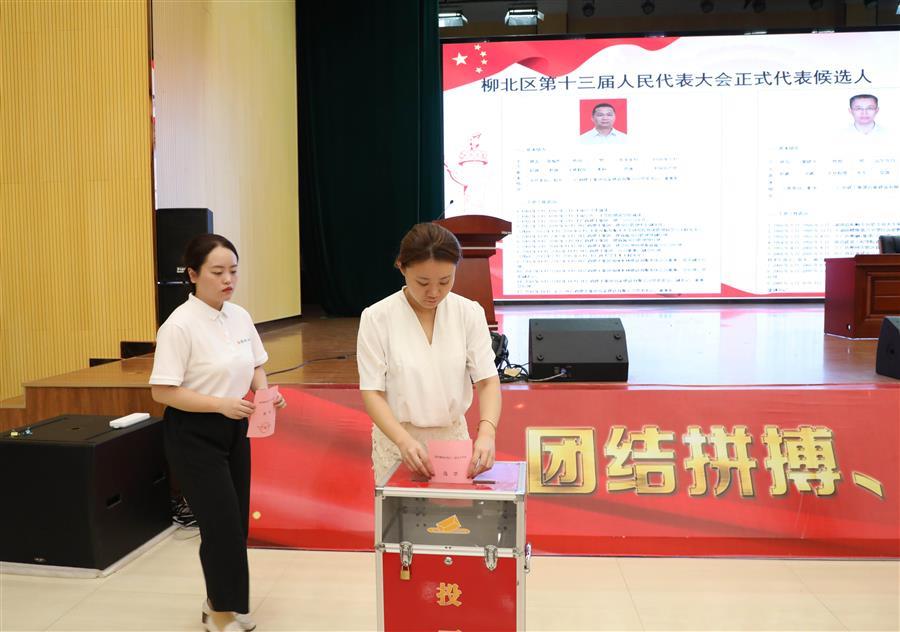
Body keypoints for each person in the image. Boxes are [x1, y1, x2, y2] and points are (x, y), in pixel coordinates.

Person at [150, 233, 285, 632]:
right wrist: (219, 404)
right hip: (193, 433)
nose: (228, 280)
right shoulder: (178, 326)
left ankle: (221, 602)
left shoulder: (239, 315)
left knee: (237, 522)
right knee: (220, 524)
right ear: (193, 274)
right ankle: (221, 610)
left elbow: (256, 364)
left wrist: (265, 394)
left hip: (235, 427)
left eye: (233, 271)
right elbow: (163, 392)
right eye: (217, 272)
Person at [357, 223, 502, 483]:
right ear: (402, 267)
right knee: (398, 509)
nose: (434, 293)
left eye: (445, 281)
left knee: (451, 509)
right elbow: (372, 392)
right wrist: (403, 441)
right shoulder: (377, 318)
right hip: (398, 442)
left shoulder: (468, 313)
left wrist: (487, 433)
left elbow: (488, 381)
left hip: (452, 443)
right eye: (422, 282)